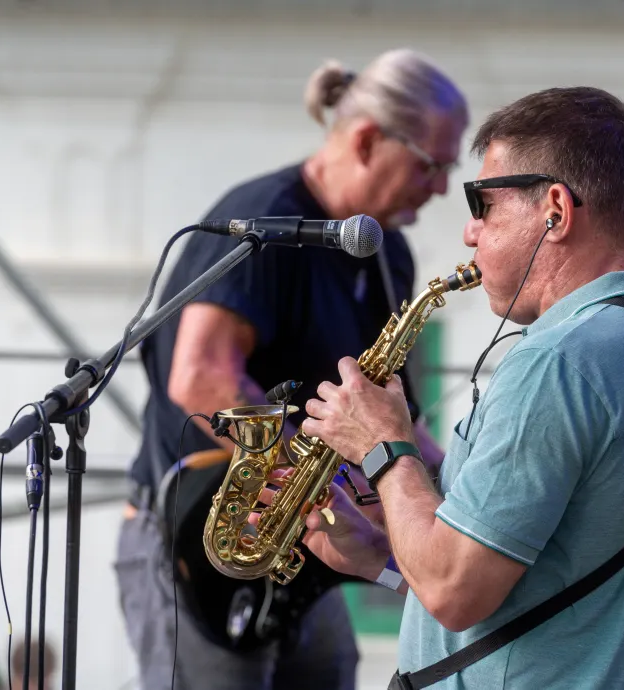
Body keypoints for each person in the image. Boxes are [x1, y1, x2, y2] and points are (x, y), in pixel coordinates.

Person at [296, 86, 624, 689]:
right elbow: (541, 592)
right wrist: (382, 556)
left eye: (482, 204)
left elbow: (456, 590)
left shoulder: (562, 359)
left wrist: (384, 446)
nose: (469, 234)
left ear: (555, 208)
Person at [115, 48, 468, 690]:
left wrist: (458, 489)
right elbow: (200, 379)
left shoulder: (386, 254)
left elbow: (388, 418)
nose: (443, 187)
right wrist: (309, 478)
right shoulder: (263, 223)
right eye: (433, 164)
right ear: (366, 140)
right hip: (204, 544)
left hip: (302, 543)